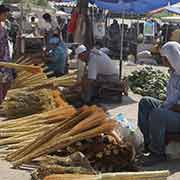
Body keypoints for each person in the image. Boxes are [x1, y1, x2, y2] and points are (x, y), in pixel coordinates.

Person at [138, 41, 180, 166]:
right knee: (145, 102)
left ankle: (157, 153)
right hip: (171, 110)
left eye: (165, 59)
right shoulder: (174, 73)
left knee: (158, 114)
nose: (163, 62)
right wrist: (165, 105)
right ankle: (148, 143)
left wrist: (165, 108)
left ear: (173, 57)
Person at [0, 5, 15, 104]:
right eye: (5, 14)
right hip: (1, 59)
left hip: (5, 59)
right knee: (3, 82)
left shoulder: (2, 25)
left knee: (7, 82)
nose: (6, 16)